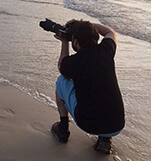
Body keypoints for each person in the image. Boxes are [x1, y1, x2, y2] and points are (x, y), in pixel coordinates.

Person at [52, 19, 125, 154]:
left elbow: (62, 67)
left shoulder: (74, 63)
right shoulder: (106, 50)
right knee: (102, 88)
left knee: (61, 81)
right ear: (96, 36)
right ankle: (105, 139)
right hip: (117, 125)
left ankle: (63, 128)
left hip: (87, 124)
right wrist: (87, 26)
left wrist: (64, 42)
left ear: (74, 42)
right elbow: (110, 31)